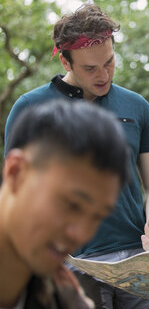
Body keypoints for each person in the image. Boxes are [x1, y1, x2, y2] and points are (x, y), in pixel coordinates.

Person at [4, 3, 149, 308]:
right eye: (90, 68)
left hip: (139, 259)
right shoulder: (30, 109)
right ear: (66, 63)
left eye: (109, 62)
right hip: (71, 262)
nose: (103, 75)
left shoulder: (137, 107)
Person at [0, 100, 129, 309]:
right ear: (16, 173)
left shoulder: (64, 297)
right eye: (72, 205)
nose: (81, 235)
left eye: (97, 217)